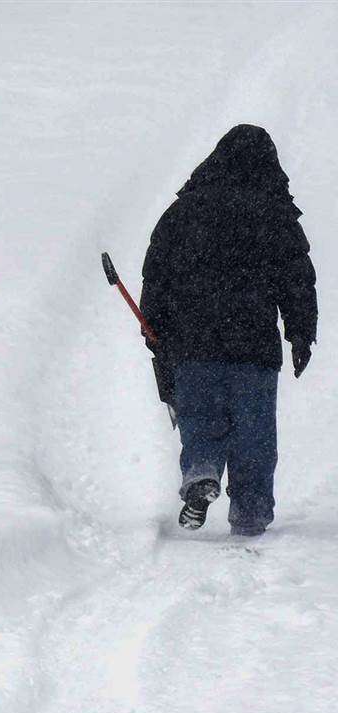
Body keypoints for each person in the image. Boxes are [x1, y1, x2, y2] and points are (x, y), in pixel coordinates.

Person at [139, 124, 317, 536]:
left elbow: (158, 273)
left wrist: (156, 329)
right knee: (253, 431)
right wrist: (300, 332)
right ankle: (251, 509)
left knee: (200, 417)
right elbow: (296, 279)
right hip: (252, 343)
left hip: (193, 342)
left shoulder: (184, 211)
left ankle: (201, 470)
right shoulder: (275, 214)